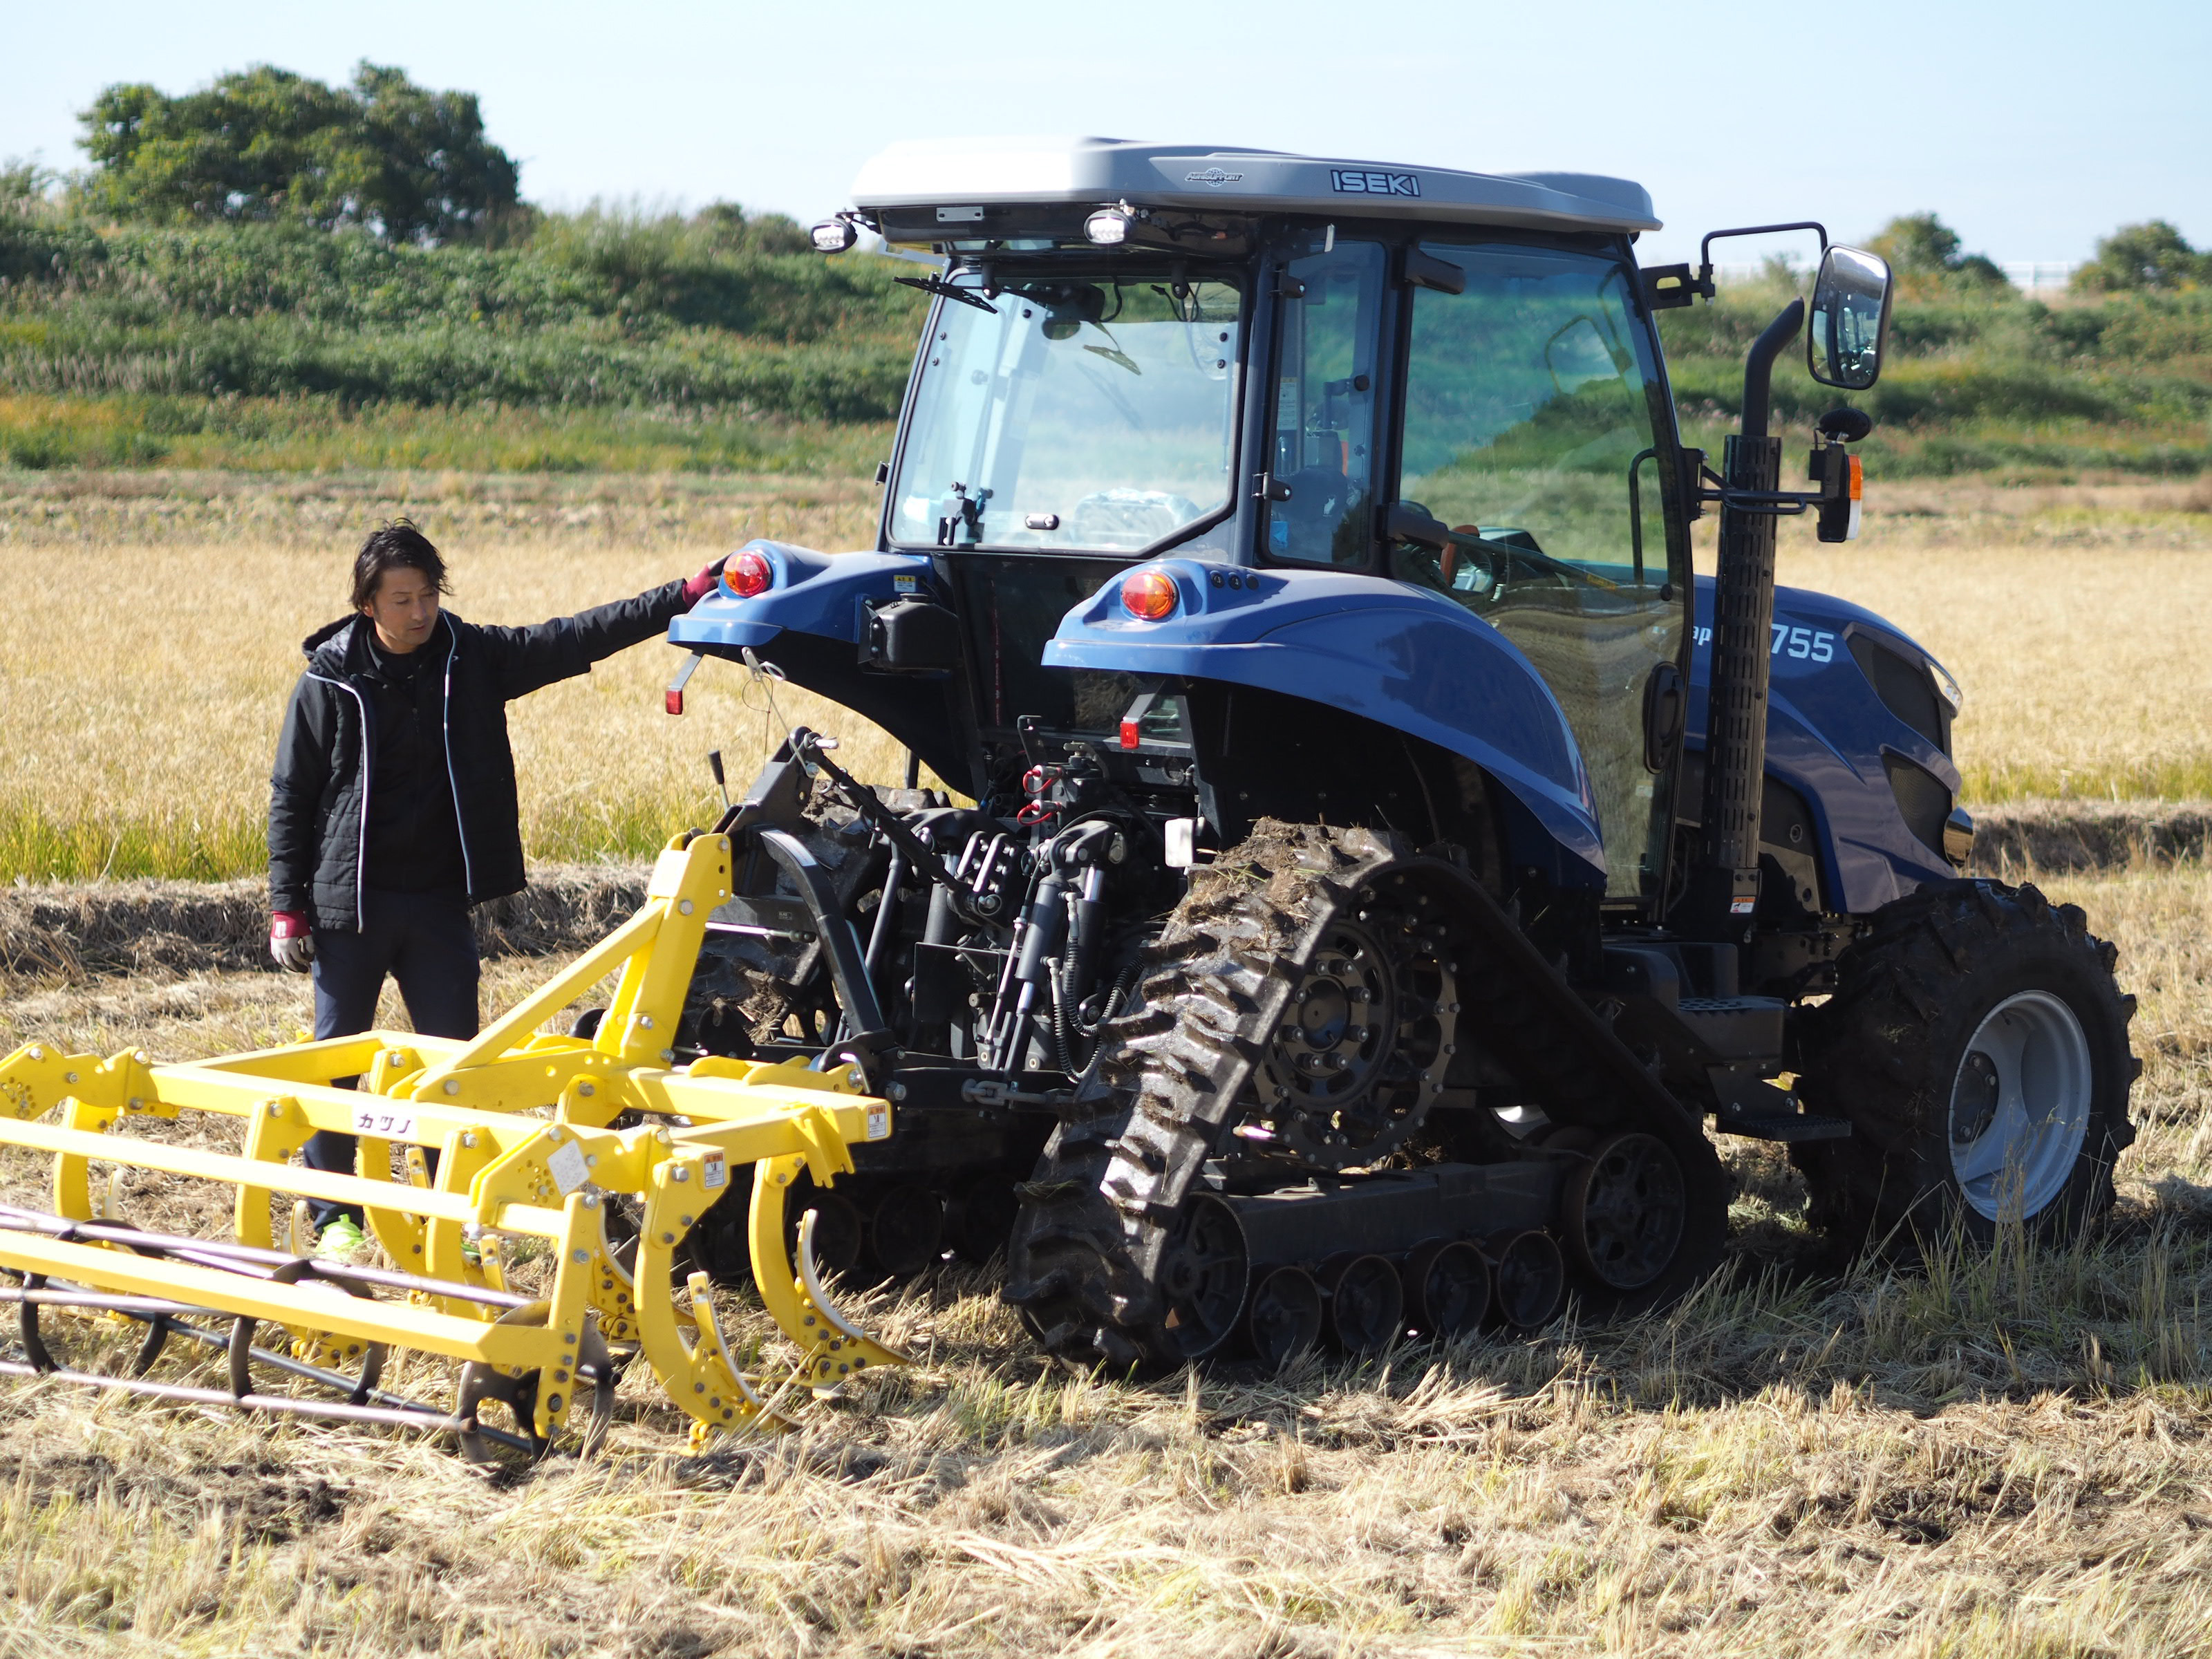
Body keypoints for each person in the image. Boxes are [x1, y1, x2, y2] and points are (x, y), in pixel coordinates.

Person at [268, 520, 726, 1255]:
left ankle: (456, 1215)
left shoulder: (470, 657)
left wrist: (684, 595)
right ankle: (338, 1219)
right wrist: (285, 906)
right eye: (402, 600)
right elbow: (293, 792)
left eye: (428, 596)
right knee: (339, 1059)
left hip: (438, 901)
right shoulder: (328, 680)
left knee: (457, 1065)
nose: (420, 613)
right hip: (350, 903)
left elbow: (577, 635)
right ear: (368, 606)